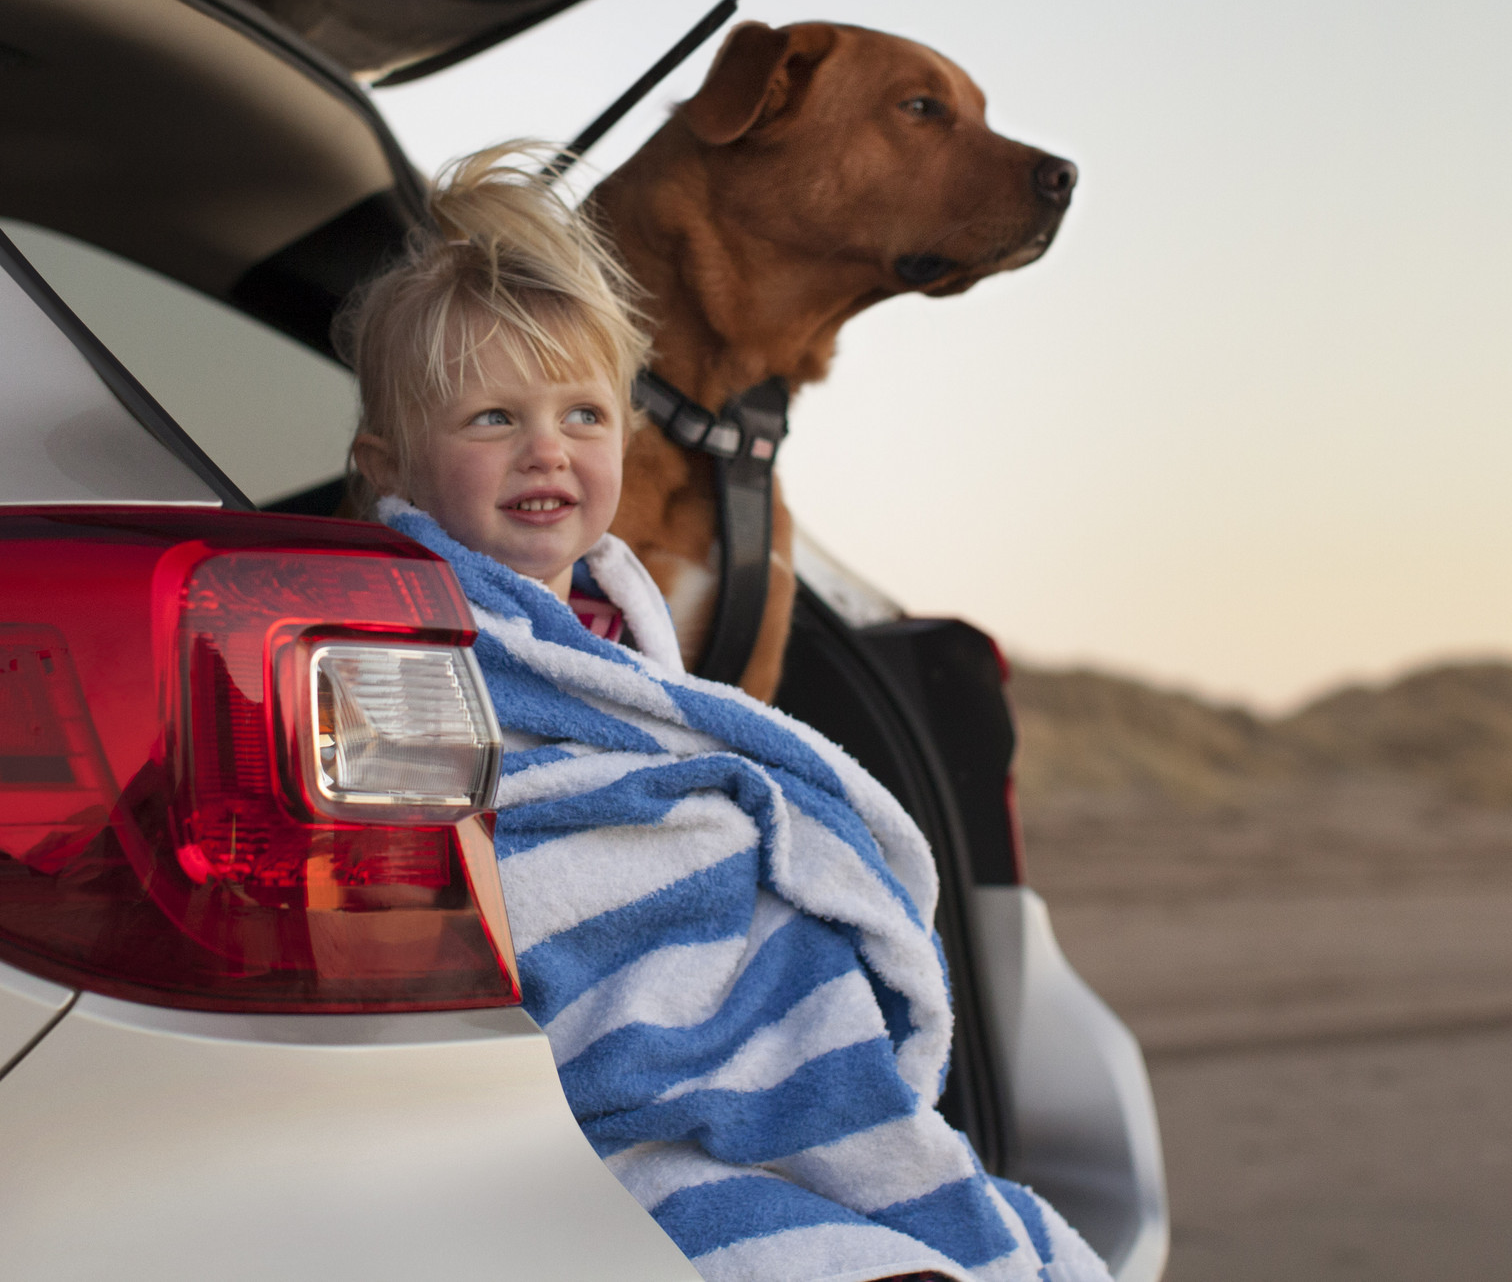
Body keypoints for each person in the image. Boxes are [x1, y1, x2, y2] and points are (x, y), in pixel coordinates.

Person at [338, 146, 1108, 1282]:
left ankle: (852, 1178)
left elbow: (683, 759)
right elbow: (464, 851)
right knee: (691, 1197)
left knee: (945, 1204)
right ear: (388, 466)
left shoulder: (615, 609)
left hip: (732, 1000)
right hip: (610, 1057)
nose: (546, 446)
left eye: (582, 412)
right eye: (493, 417)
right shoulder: (393, 631)